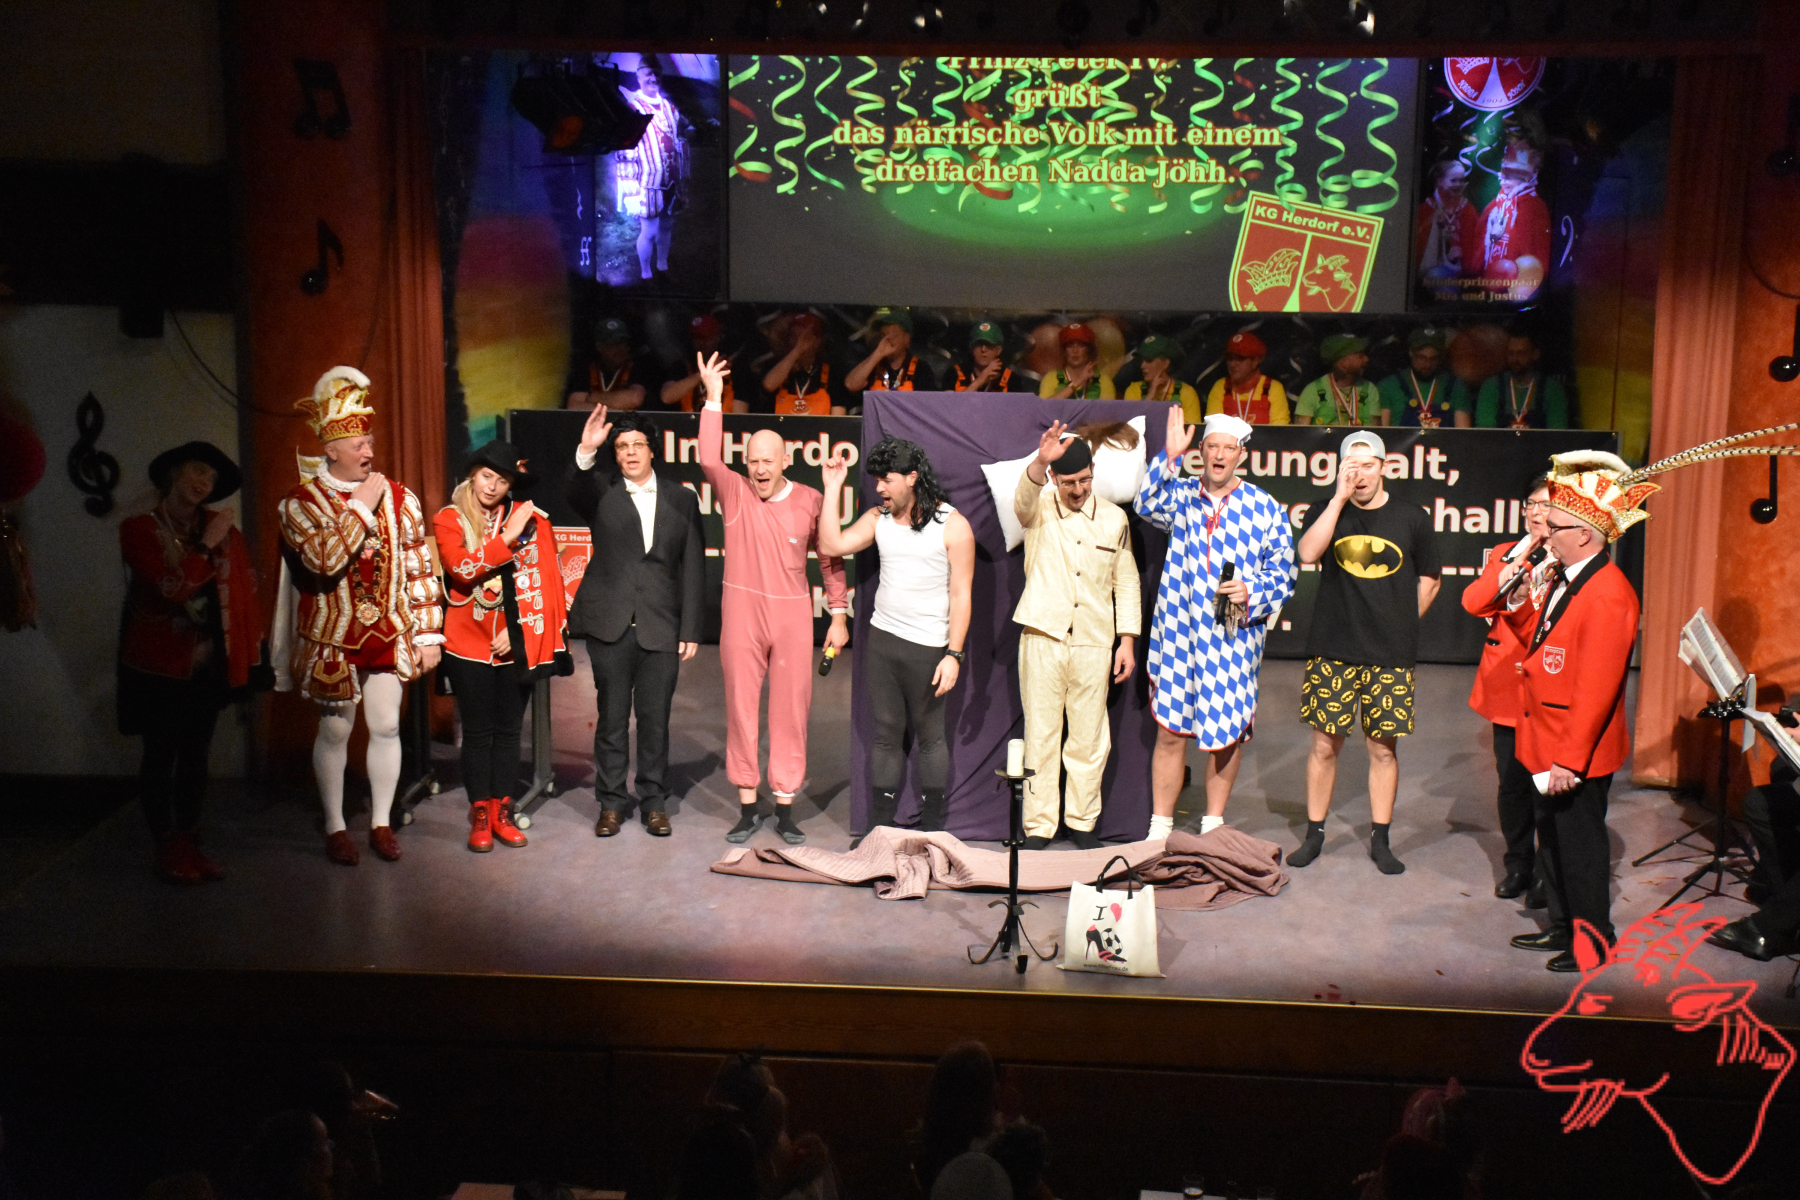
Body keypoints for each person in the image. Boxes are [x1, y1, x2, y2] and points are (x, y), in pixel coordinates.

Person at [276, 367, 444, 866]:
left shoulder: (400, 496)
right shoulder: (300, 503)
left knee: (387, 726)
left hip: (388, 630)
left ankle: (381, 821)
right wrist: (361, 509)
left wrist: (428, 635)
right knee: (335, 731)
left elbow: (418, 567)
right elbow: (322, 560)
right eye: (358, 445)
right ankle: (334, 824)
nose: (368, 452)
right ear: (330, 449)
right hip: (333, 634)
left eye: (370, 442)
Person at [699, 354, 850, 844]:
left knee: (790, 711)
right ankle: (747, 806)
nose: (760, 469)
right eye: (754, 461)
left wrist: (839, 614)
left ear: (786, 460)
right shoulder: (735, 493)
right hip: (742, 615)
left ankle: (785, 806)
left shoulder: (810, 500)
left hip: (791, 617)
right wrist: (714, 399)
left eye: (769, 460)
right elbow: (708, 458)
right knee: (741, 709)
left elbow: (831, 559)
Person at [1508, 451, 1643, 972]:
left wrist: (1569, 758)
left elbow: (1597, 688)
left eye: (1557, 527)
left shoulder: (1608, 594)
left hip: (1571, 750)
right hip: (1546, 740)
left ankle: (1593, 942)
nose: (1547, 533)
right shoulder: (1568, 575)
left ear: (1585, 535)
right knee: (1553, 843)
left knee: (1581, 848)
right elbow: (1545, 645)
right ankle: (1563, 927)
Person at [1134, 410, 1296, 842]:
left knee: (1225, 737)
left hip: (1232, 641)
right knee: (1171, 732)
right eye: (1212, 447)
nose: (1220, 455)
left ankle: (1213, 825)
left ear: (1241, 454)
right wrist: (1169, 457)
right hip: (1179, 635)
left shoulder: (1264, 507)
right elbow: (1145, 503)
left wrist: (1252, 589)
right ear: (1201, 452)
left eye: (1228, 448)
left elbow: (1284, 574)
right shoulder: (1182, 494)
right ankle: (1160, 827)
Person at [1291, 430, 1441, 874]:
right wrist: (1337, 501)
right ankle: (1314, 834)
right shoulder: (1325, 510)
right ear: (1340, 469)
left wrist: (1401, 623)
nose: (1360, 475)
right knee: (1323, 747)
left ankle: (1381, 839)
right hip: (1332, 648)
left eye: (1368, 465)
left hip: (1390, 655)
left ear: (1384, 467)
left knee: (1383, 750)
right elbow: (1307, 553)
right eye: (1351, 467)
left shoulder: (1411, 517)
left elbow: (1431, 579)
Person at [117, 441, 259, 884]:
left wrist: (243, 657)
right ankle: (166, 845)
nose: (204, 482)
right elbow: (172, 587)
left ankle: (190, 840)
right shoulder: (138, 528)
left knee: (197, 756)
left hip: (205, 666)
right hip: (156, 666)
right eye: (197, 470)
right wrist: (206, 545)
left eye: (211, 478)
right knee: (160, 754)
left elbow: (243, 594)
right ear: (174, 474)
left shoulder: (221, 530)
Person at [820, 437, 973, 836]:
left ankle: (933, 834)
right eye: (877, 481)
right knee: (885, 737)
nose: (879, 488)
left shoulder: (953, 526)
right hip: (883, 643)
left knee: (931, 739)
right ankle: (879, 832)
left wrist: (954, 654)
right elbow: (831, 544)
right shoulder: (878, 518)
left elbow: (962, 595)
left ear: (912, 477)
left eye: (886, 480)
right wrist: (833, 488)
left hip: (929, 649)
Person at [567, 408, 705, 837]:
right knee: (611, 720)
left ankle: (653, 802)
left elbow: (693, 566)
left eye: (637, 445)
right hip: (609, 623)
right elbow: (574, 489)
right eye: (622, 446)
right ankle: (611, 803)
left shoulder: (682, 498)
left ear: (651, 451)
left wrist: (690, 628)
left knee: (654, 721)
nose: (629, 452)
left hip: (660, 625)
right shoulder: (601, 491)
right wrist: (586, 450)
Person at [1008, 425, 1139, 849]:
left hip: (1094, 641)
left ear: (1093, 471)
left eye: (1085, 480)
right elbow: (1021, 501)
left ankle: (1082, 822)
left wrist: (1127, 640)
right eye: (1069, 483)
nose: (1078, 490)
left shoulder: (1115, 519)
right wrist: (1039, 461)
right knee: (1041, 735)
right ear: (1054, 479)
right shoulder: (1039, 508)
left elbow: (1126, 581)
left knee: (1089, 737)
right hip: (1043, 636)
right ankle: (1039, 825)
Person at [433, 440, 568, 853]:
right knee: (478, 731)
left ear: (511, 485)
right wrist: (508, 537)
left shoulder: (531, 519)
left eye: (502, 480)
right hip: (466, 641)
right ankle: (479, 811)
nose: (492, 486)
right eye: (486, 476)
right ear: (473, 476)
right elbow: (462, 568)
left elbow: (546, 584)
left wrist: (519, 628)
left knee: (510, 730)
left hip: (515, 640)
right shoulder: (449, 518)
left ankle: (501, 810)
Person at [1460, 476, 1555, 906]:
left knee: (1545, 785)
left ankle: (1549, 872)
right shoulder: (1505, 553)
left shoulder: (1570, 560)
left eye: (1547, 505)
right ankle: (1519, 864)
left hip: (1547, 689)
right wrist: (1515, 562)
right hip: (1507, 689)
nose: (1537, 512)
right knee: (1511, 785)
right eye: (1531, 503)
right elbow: (1474, 602)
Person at [616, 54, 691, 282]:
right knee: (649, 231)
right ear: (638, 76)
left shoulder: (669, 108)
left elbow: (680, 134)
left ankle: (663, 268)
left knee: (667, 226)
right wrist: (630, 191)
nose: (653, 77)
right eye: (648, 73)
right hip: (647, 182)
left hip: (671, 180)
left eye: (656, 73)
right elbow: (625, 150)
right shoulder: (632, 107)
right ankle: (646, 275)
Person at [908, 1042, 1002, 1198]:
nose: (997, 1104)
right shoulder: (977, 1169)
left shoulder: (924, 1153)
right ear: (978, 1101)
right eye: (991, 1094)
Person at [1477, 140, 1552, 303]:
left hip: (1518, 288)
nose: (1504, 182)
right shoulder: (1495, 205)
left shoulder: (1535, 207)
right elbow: (1479, 248)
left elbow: (1539, 252)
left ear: (1528, 178)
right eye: (1503, 176)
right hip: (1489, 285)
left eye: (1511, 177)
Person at [1473, 329, 1570, 429]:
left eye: (1521, 353)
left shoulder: (1551, 389)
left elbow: (1557, 431)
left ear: (1535, 354)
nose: (1515, 359)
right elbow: (1485, 430)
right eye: (1511, 353)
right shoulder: (1492, 386)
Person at [1376, 329, 1471, 429]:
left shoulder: (1456, 387)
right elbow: (1382, 432)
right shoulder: (1389, 386)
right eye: (1422, 358)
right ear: (1411, 353)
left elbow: (1462, 433)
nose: (1427, 364)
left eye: (1433, 359)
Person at [1414, 159, 1483, 291]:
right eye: (1453, 180)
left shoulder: (1468, 209)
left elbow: (1476, 242)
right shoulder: (1425, 210)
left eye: (1461, 180)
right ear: (1439, 181)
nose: (1458, 185)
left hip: (1464, 275)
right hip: (1430, 273)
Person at [661, 314, 746, 413]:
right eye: (697, 338)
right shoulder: (682, 366)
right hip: (689, 422)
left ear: (718, 338)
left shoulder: (733, 368)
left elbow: (740, 415)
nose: (702, 343)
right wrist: (704, 373)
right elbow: (666, 397)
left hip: (722, 422)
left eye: (707, 338)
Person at [1204, 329, 1290, 426]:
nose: (1232, 364)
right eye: (1230, 358)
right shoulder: (1221, 387)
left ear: (1255, 361)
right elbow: (1212, 427)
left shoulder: (1272, 388)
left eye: (1239, 358)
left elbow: (1279, 431)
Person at [761, 312, 842, 415]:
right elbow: (768, 386)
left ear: (817, 341)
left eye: (805, 337)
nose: (799, 342)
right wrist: (797, 351)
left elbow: (838, 417)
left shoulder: (831, 373)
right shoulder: (776, 367)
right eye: (794, 337)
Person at [1293, 334, 1382, 427]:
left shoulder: (1369, 389)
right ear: (1344, 362)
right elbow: (1301, 432)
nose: (1366, 359)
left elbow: (1374, 431)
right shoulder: (1313, 391)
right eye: (1360, 356)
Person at [568, 317, 646, 411]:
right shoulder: (586, 370)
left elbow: (635, 399)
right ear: (599, 347)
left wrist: (592, 397)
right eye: (613, 344)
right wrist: (617, 409)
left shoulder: (636, 368)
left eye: (623, 342)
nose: (620, 348)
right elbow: (574, 405)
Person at [844, 307, 923, 397]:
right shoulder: (872, 365)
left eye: (893, 335)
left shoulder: (921, 369)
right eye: (883, 335)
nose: (887, 340)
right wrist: (878, 353)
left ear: (906, 339)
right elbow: (851, 385)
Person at [1122, 335, 1199, 422]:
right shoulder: (1134, 390)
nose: (1142, 366)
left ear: (1165, 363)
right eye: (1142, 361)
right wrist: (1150, 395)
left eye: (1149, 360)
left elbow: (1193, 428)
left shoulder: (1186, 393)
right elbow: (1129, 426)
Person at [1038, 323, 1114, 399]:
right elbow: (1044, 405)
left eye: (1081, 345)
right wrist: (1078, 382)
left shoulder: (1103, 380)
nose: (1075, 351)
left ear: (1089, 350)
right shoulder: (1051, 378)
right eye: (1070, 346)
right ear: (1064, 351)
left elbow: (1108, 406)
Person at [953, 321, 1028, 392]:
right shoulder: (954, 373)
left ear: (999, 350)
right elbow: (952, 402)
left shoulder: (1012, 379)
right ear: (972, 348)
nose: (983, 350)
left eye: (989, 345)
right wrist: (981, 379)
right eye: (978, 344)